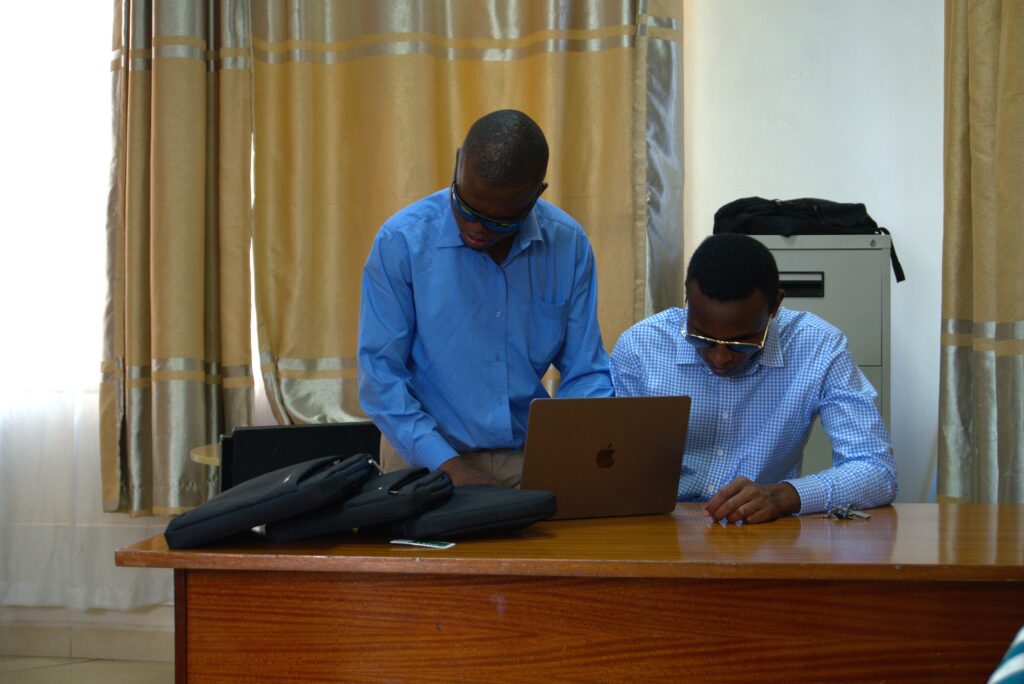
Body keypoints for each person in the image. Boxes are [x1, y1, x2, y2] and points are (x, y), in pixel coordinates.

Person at [358, 109, 614, 487]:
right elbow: (381, 376)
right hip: (423, 458)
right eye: (465, 207)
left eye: (500, 222)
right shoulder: (401, 243)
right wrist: (449, 466)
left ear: (536, 195)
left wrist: (571, 453)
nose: (476, 229)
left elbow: (585, 372)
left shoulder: (568, 245)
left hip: (527, 457)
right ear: (459, 162)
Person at [611, 233, 897, 524]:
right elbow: (617, 468)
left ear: (775, 306)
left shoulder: (819, 346)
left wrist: (783, 495)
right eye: (702, 338)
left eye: (742, 342)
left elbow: (876, 470)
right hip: (662, 528)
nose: (720, 357)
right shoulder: (640, 347)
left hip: (762, 533)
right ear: (686, 298)